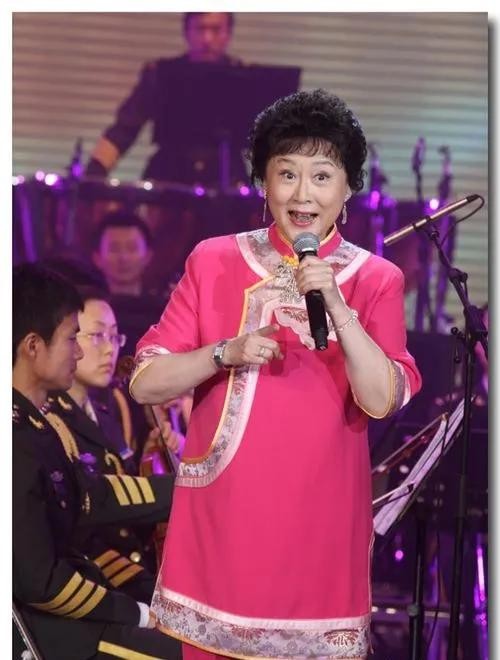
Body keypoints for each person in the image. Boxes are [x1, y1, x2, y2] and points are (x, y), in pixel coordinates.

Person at [130, 89, 422, 659]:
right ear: (263, 183)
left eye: (322, 176)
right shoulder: (213, 259)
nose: (302, 193)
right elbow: (146, 382)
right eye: (286, 174)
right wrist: (225, 352)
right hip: (223, 525)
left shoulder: (376, 279)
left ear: (348, 188)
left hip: (320, 530)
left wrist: (337, 306)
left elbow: (382, 398)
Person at [12, 263, 183, 660]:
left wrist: (194, 486)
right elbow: (41, 583)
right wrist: (136, 613)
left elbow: (93, 495)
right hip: (54, 634)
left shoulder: (34, 425)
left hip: (76, 613)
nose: (79, 351)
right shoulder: (18, 439)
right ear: (33, 346)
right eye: (72, 338)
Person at [48, 285, 184, 592]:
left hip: (130, 558)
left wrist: (148, 455)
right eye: (97, 335)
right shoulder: (50, 418)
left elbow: (122, 481)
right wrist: (187, 486)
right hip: (93, 570)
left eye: (114, 336)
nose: (110, 349)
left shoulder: (107, 410)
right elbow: (93, 502)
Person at [85, 12, 242, 184]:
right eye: (200, 29)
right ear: (186, 32)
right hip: (167, 177)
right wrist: (93, 174)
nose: (207, 39)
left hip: (226, 179)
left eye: (216, 30)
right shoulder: (161, 75)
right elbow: (124, 129)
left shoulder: (244, 78)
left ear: (228, 34)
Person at [91, 210, 172, 358]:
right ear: (97, 257)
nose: (123, 257)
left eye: (132, 248)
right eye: (114, 249)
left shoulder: (165, 312)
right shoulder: (87, 311)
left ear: (148, 256)